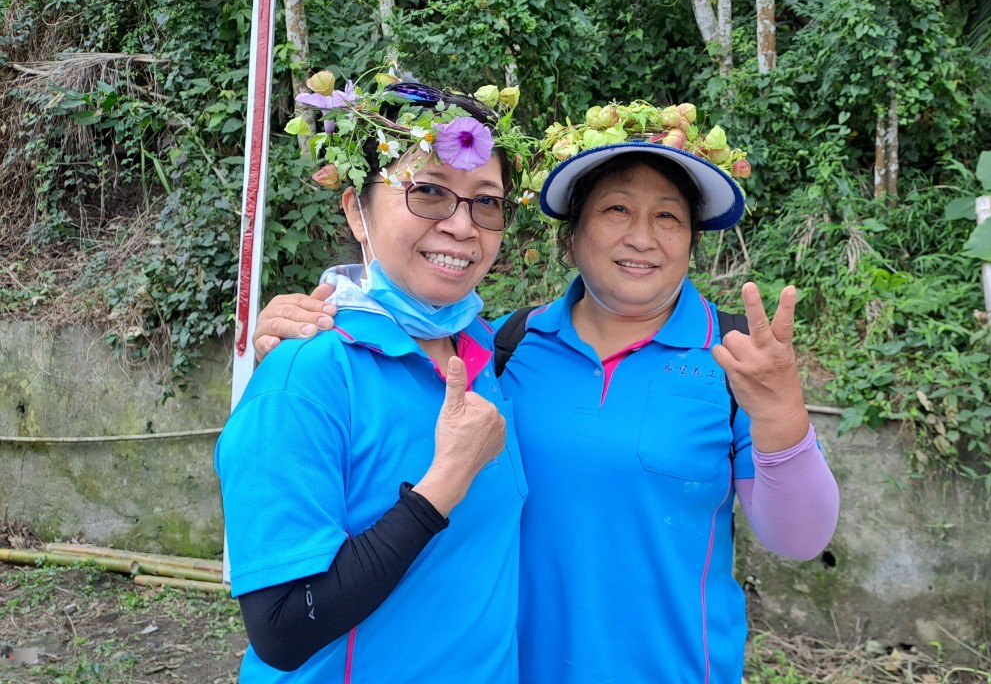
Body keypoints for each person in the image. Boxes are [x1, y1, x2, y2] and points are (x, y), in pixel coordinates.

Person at [254, 100, 840, 683]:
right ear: (573, 232)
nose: (642, 237)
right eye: (616, 209)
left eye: (668, 216)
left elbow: (799, 538)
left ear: (690, 239)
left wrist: (782, 414)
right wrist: (308, 329)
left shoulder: (737, 361)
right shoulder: (500, 348)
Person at [216, 74, 535, 682]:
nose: (463, 226)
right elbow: (281, 630)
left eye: (486, 202)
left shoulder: (489, 352)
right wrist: (444, 481)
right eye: (429, 191)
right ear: (356, 212)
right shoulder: (306, 375)